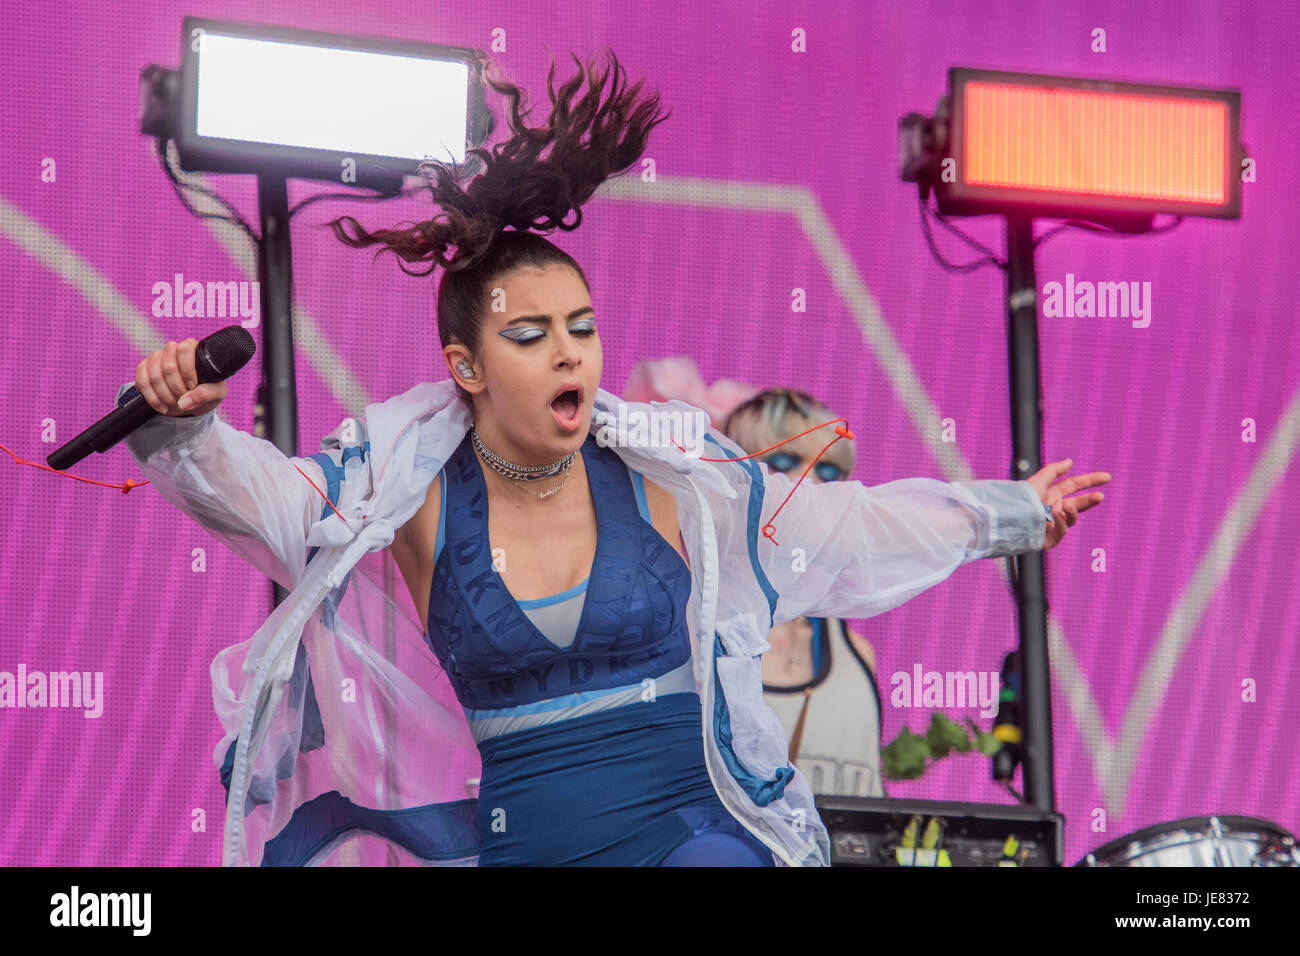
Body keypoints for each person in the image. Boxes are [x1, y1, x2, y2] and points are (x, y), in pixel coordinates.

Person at [118, 49, 1110, 866]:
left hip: (695, 837)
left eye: (582, 327)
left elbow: (846, 525)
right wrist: (182, 423)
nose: (568, 352)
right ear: (463, 363)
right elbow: (266, 504)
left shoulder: (670, 475)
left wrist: (1009, 513)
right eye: (531, 332)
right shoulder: (399, 490)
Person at [723, 388, 888, 798]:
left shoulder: (857, 654)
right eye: (783, 462)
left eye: (830, 472)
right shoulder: (693, 634)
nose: (811, 482)